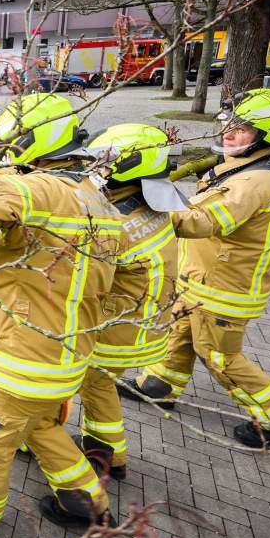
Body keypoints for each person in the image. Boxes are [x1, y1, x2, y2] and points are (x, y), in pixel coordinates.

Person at [0, 93, 120, 535]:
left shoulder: (40, 188)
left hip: (19, 360)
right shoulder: (98, 202)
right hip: (65, 359)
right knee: (44, 430)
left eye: (10, 146)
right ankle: (85, 505)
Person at [119, 88, 270, 448]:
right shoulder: (250, 164)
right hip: (202, 279)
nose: (229, 133)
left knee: (220, 356)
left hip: (226, 287)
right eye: (228, 124)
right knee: (180, 332)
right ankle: (160, 384)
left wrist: (145, 211)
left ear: (268, 135)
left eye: (243, 128)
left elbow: (203, 219)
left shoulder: (256, 180)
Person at [75, 124, 186, 480]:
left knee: (93, 385)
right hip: (145, 321)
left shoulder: (115, 226)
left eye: (104, 165)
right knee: (101, 386)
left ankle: (105, 458)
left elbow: (85, 281)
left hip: (119, 329)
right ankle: (109, 451)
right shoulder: (150, 206)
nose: (96, 171)